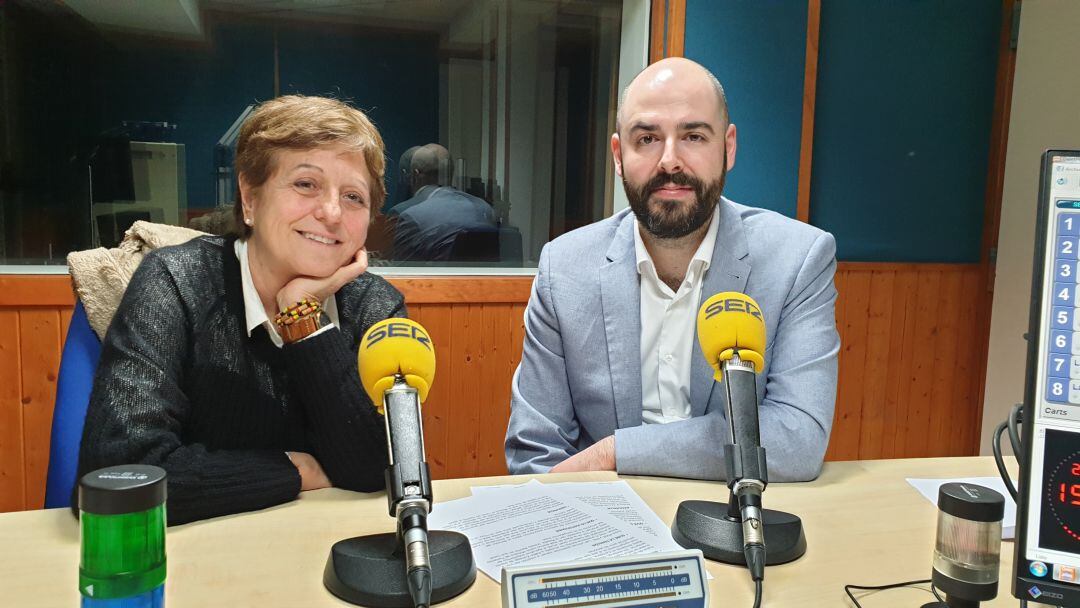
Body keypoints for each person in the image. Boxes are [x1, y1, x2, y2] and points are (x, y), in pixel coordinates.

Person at [505, 57, 840, 481]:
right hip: (607, 521)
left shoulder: (798, 258)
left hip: (737, 514)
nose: (670, 161)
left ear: (728, 147)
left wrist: (616, 450)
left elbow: (796, 439)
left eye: (694, 136)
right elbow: (534, 451)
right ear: (618, 155)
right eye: (646, 138)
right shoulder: (563, 267)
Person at [75, 95, 405, 524]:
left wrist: (301, 319)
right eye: (306, 184)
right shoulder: (177, 281)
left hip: (322, 550)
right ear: (250, 199)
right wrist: (294, 469)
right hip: (193, 556)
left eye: (354, 197)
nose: (330, 212)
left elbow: (381, 468)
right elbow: (117, 475)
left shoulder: (374, 304)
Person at [392, 143, 497, 261]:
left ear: (415, 174)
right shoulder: (486, 209)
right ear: (450, 172)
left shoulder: (410, 216)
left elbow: (403, 274)